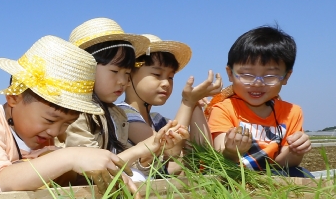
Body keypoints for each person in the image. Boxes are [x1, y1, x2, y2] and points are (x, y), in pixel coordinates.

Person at [0, 35, 138, 192]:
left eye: (66, 124)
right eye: (50, 119)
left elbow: (62, 183)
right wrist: (68, 157)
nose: (55, 132)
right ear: (14, 97)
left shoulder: (43, 137)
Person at [62, 18, 177, 179]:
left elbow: (125, 160)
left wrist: (147, 156)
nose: (123, 81)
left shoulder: (116, 114)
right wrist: (140, 149)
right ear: (84, 68)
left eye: (127, 73)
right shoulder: (73, 115)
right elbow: (90, 171)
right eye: (115, 71)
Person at [207, 26, 312, 176]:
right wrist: (232, 150)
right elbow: (221, 158)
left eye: (270, 76)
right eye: (247, 74)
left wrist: (296, 151)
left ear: (286, 77)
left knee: (303, 174)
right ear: (230, 73)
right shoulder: (224, 109)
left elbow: (283, 164)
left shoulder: (292, 112)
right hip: (235, 175)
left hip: (272, 174)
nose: (257, 83)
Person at [120, 34, 223, 173]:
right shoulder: (123, 115)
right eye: (157, 74)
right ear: (129, 75)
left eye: (170, 77)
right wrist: (187, 102)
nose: (166, 83)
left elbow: (203, 154)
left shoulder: (158, 120)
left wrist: (195, 105)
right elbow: (167, 153)